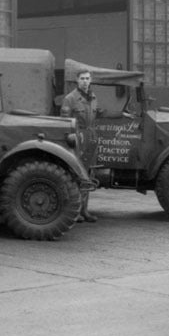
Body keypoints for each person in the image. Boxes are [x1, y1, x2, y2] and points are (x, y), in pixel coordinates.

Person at [61, 68, 98, 223]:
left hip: (90, 138)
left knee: (88, 175)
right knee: (77, 176)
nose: (85, 81)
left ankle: (84, 210)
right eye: (82, 78)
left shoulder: (93, 97)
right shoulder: (70, 99)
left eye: (87, 78)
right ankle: (74, 212)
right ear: (77, 80)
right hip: (77, 139)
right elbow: (64, 122)